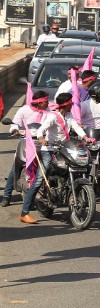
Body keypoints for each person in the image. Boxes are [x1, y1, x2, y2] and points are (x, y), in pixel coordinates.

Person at [25, 94, 87, 223]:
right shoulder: (53, 116)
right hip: (49, 149)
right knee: (42, 175)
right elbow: (41, 130)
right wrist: (41, 138)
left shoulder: (69, 116)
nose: (72, 105)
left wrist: (86, 138)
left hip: (64, 148)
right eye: (71, 103)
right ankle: (24, 211)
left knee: (75, 166)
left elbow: (75, 127)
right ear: (66, 104)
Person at [1, 91, 52, 209]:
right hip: (26, 142)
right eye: (45, 101)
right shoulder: (24, 110)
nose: (48, 103)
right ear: (39, 102)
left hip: (42, 143)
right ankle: (7, 196)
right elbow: (14, 124)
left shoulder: (49, 112)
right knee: (16, 167)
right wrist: (15, 130)